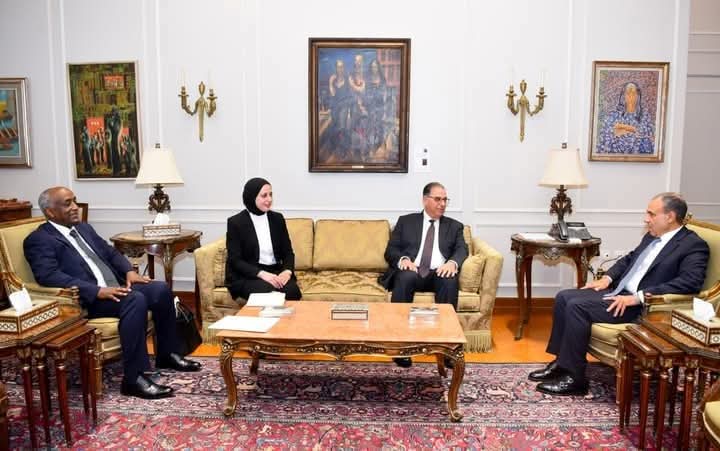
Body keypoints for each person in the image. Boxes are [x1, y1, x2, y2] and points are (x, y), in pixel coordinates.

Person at [24, 187, 201, 400]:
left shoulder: (83, 228)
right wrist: (96, 290)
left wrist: (128, 271)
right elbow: (48, 276)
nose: (75, 207)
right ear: (50, 212)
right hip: (86, 299)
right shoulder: (39, 239)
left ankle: (167, 354)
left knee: (160, 289)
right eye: (67, 203)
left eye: (75, 201)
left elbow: (109, 252)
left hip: (115, 288)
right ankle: (133, 379)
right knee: (135, 299)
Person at [530, 192, 709, 396]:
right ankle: (562, 363)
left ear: (670, 217)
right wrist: (607, 278)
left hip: (643, 306)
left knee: (577, 306)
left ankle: (574, 379)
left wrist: (639, 297)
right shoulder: (652, 236)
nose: (646, 219)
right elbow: (629, 259)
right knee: (564, 297)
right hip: (619, 292)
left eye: (651, 214)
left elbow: (690, 282)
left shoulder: (693, 245)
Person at [380, 182, 468, 367]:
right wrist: (403, 259)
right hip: (414, 270)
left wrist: (452, 263)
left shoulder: (454, 226)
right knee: (405, 277)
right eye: (438, 199)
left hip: (439, 272)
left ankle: (447, 348)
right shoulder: (406, 222)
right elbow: (391, 250)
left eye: (445, 200)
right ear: (425, 200)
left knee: (450, 280)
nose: (442, 204)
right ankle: (400, 347)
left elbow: (462, 249)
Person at [225, 177, 302, 302]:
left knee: (292, 292)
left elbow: (288, 252)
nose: (269, 199)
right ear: (252, 197)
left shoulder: (277, 219)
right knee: (268, 293)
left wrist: (286, 272)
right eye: (264, 195)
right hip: (249, 274)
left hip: (274, 271)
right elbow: (235, 260)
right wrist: (262, 274)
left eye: (271, 194)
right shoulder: (236, 222)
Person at [597, 81, 655, 154]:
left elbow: (646, 135)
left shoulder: (644, 115)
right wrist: (631, 129)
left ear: (638, 96)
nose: (631, 97)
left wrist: (622, 129)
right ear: (623, 96)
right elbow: (608, 132)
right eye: (628, 93)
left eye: (633, 93)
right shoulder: (614, 115)